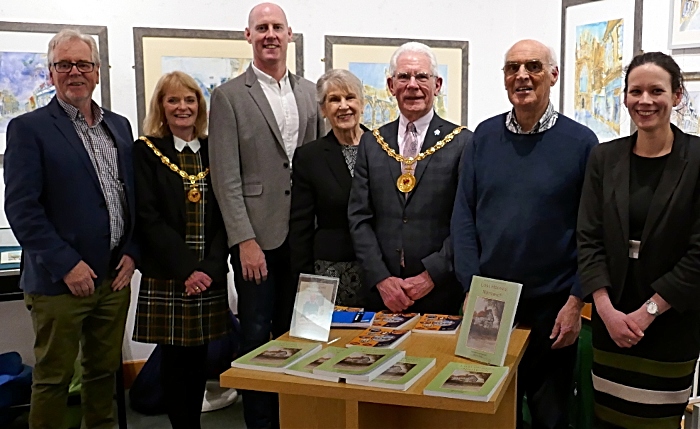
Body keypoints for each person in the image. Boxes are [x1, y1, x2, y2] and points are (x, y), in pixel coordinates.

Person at [451, 39, 598, 429]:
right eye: (512, 68)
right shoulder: (483, 136)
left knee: (550, 415)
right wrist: (469, 285)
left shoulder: (582, 144)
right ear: (503, 79)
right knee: (491, 412)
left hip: (553, 305)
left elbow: (592, 230)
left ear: (553, 75)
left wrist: (576, 298)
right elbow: (463, 215)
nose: (522, 76)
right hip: (490, 303)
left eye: (533, 66)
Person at [3, 29, 138, 428]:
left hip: (113, 279)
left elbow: (131, 197)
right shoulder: (29, 129)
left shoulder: (120, 126)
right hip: (60, 284)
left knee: (103, 375)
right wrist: (67, 265)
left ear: (97, 72)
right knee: (53, 380)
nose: (74, 72)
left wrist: (132, 252)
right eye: (64, 64)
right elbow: (22, 208)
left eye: (83, 64)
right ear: (51, 73)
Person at [208, 3, 324, 428]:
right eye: (262, 28)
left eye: (277, 27)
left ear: (290, 35)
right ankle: (261, 421)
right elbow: (225, 177)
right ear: (248, 36)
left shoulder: (312, 92)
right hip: (258, 239)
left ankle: (298, 417)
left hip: (305, 237)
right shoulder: (228, 96)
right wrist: (244, 241)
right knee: (257, 335)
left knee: (305, 333)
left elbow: (319, 165)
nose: (270, 34)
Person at [577, 52, 700, 428]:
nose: (645, 100)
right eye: (635, 91)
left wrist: (647, 313)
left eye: (656, 91)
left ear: (677, 96)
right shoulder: (603, 157)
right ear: (625, 97)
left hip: (671, 319)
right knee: (607, 418)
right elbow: (588, 238)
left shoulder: (698, 159)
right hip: (611, 316)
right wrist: (606, 311)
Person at [132, 71, 232, 429]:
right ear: (161, 105)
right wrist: (188, 270)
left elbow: (225, 214)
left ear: (199, 105)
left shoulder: (212, 149)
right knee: (175, 363)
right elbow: (148, 216)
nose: (182, 107)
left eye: (189, 100)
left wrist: (211, 267)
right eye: (173, 100)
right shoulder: (146, 150)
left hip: (208, 272)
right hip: (171, 275)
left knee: (200, 359)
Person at [348, 42, 472, 315]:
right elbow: (359, 218)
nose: (412, 85)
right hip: (382, 294)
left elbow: (467, 221)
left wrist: (430, 276)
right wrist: (381, 279)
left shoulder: (463, 142)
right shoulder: (372, 143)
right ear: (391, 86)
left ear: (437, 84)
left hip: (440, 291)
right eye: (403, 77)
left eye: (422, 76)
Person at [289, 69, 369, 307]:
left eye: (350, 97)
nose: (343, 106)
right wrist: (304, 282)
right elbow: (300, 225)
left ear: (362, 104)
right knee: (328, 344)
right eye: (334, 100)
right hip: (328, 273)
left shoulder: (383, 148)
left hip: (378, 274)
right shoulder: (309, 157)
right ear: (323, 110)